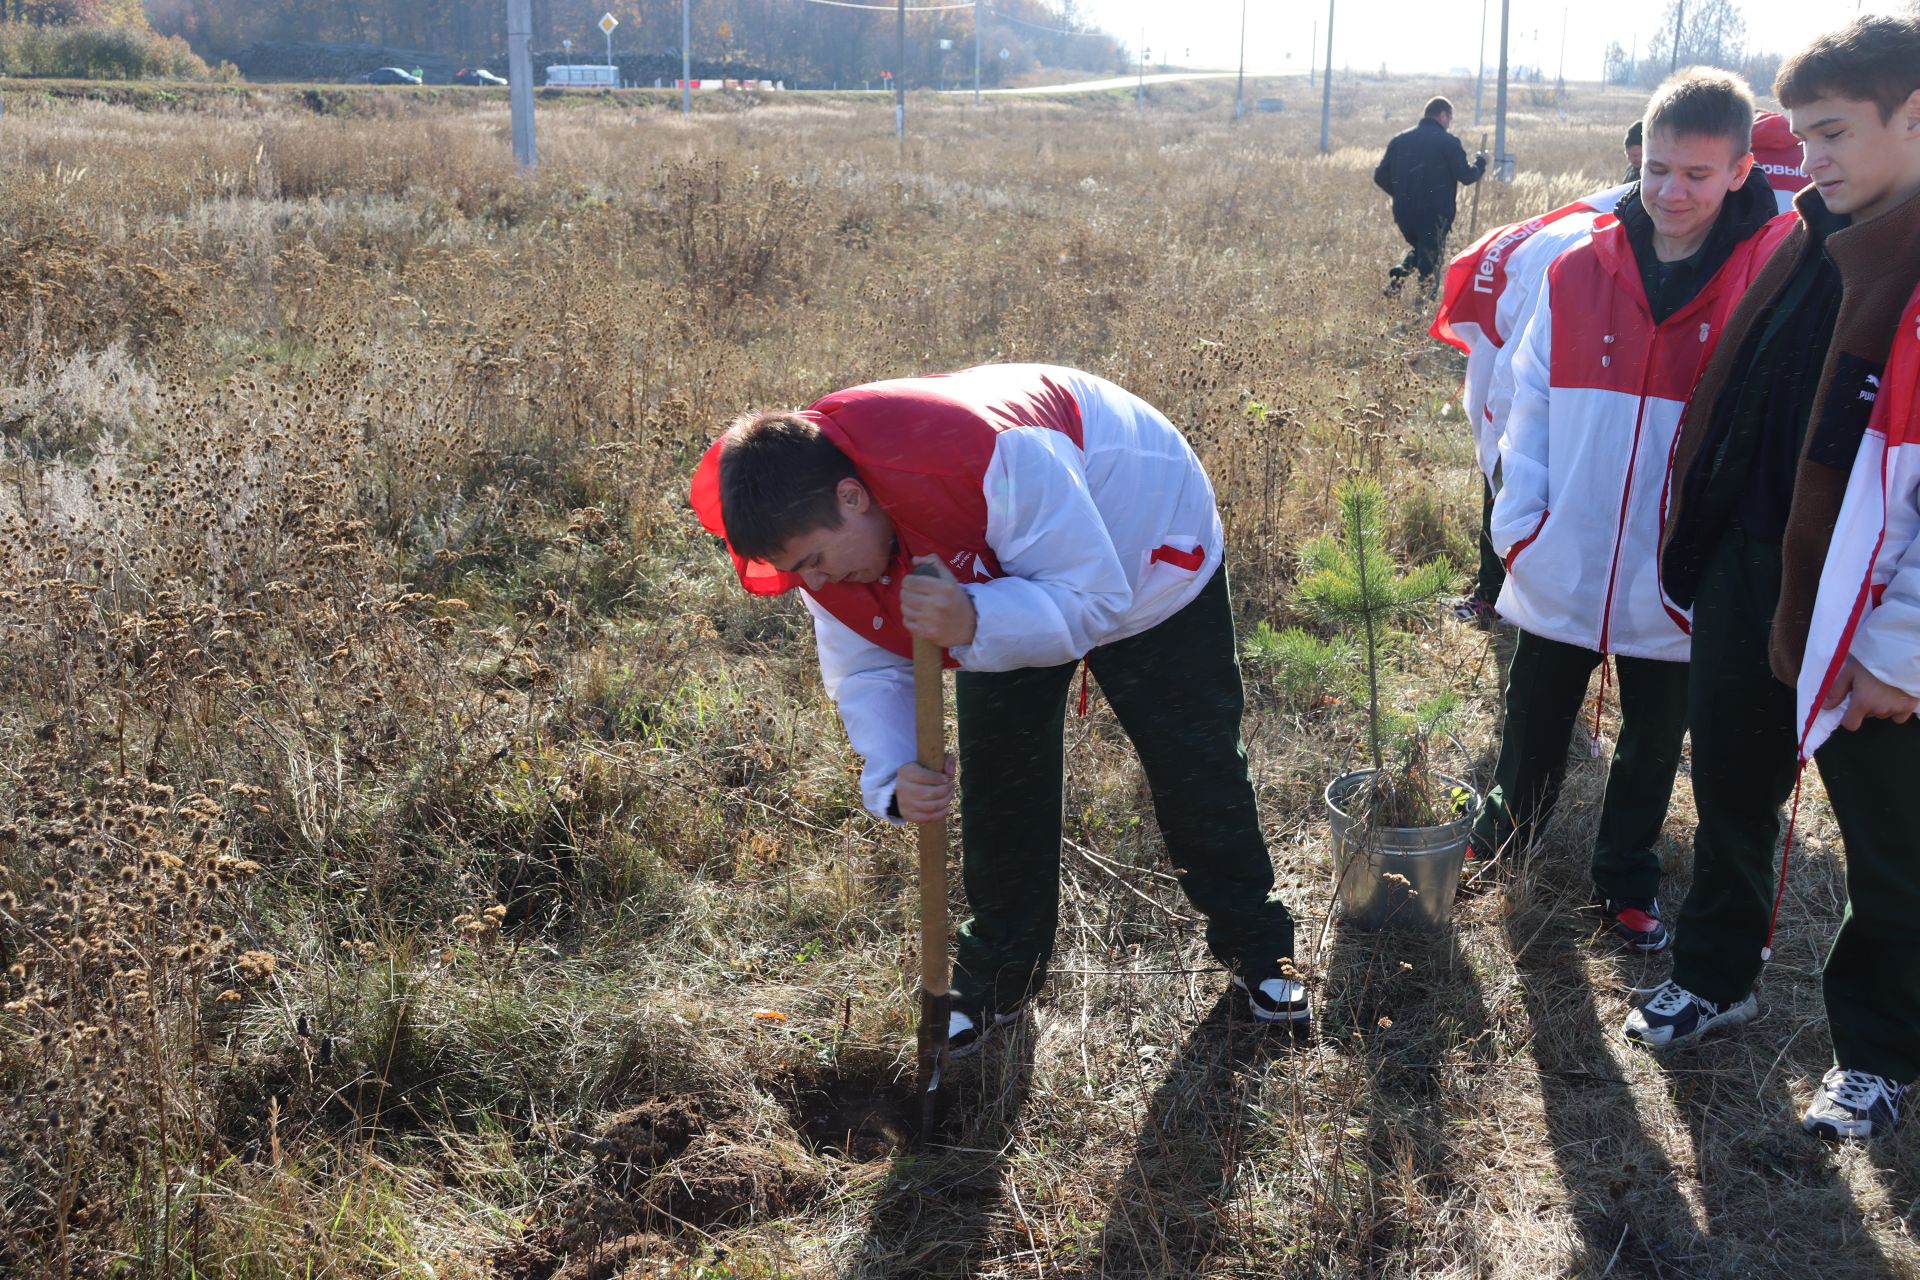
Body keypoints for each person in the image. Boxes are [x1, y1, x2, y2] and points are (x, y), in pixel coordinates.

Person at [688, 364, 1307, 1055]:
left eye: (816, 561)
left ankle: (1262, 951)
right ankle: (1000, 979)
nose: (816, 583)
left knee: (1194, 762)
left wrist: (974, 615)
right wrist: (896, 771)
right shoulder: (824, 545)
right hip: (989, 579)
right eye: (799, 570)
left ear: (852, 496)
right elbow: (865, 665)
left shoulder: (999, 456)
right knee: (1001, 781)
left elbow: (1093, 599)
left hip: (1143, 552)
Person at [1627, 14, 1920, 1142]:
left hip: (1871, 610)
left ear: (1913, 115)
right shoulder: (1814, 230)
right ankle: (1715, 970)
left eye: (1834, 132)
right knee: (1734, 781)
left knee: (1894, 845)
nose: (1813, 159)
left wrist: (1900, 645)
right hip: (1758, 568)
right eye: (1801, 136)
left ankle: (1885, 1051)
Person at [1470, 68, 1791, 948]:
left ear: (1737, 171)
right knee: (1532, 709)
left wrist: (1721, 559)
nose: (1670, 192)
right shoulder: (1580, 267)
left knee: (1655, 737)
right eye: (1656, 169)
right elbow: (1524, 401)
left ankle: (1624, 877)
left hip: (1681, 571)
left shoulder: (1767, 277)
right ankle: (1505, 840)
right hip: (1560, 550)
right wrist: (1518, 529)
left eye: (1695, 174)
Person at [1430, 179, 1633, 628]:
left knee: (1519, 475)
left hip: (1576, 394)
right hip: (1541, 384)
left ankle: (1512, 591)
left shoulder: (1583, 237)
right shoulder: (1573, 243)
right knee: (1512, 474)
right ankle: (1497, 590)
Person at [1375, 96, 1488, 296]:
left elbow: (1380, 176)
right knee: (1429, 268)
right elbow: (1467, 176)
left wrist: (1403, 195)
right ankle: (1421, 313)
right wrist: (1481, 162)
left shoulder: (1400, 140)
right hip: (1434, 216)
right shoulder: (1448, 142)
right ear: (1442, 115)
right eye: (1449, 118)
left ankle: (1396, 280)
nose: (1449, 123)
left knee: (1422, 250)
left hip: (1404, 214)